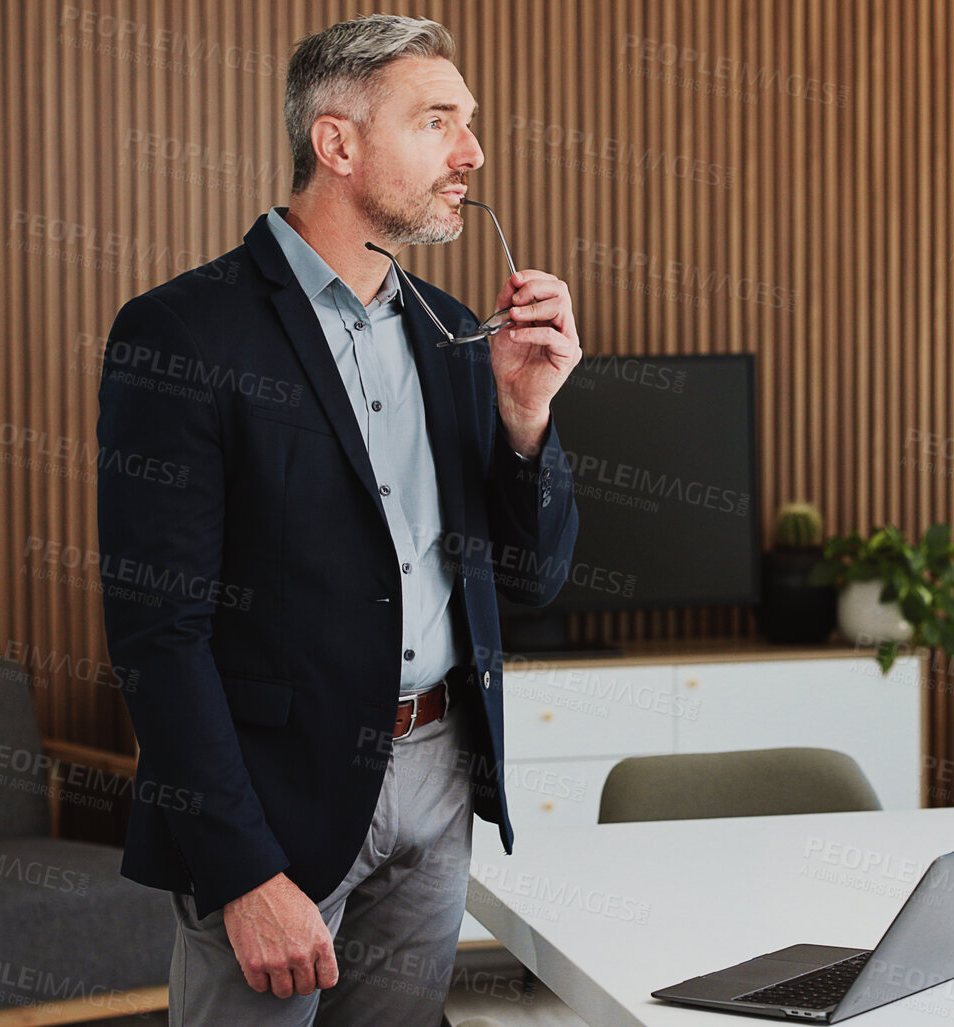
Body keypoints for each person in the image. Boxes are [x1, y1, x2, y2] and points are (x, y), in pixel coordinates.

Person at [94, 13, 581, 1025]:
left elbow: (532, 584)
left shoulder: (456, 332)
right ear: (339, 143)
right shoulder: (182, 330)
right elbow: (158, 633)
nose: (471, 152)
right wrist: (241, 872)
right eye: (438, 121)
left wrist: (527, 417)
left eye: (469, 123)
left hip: (441, 775)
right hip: (271, 803)